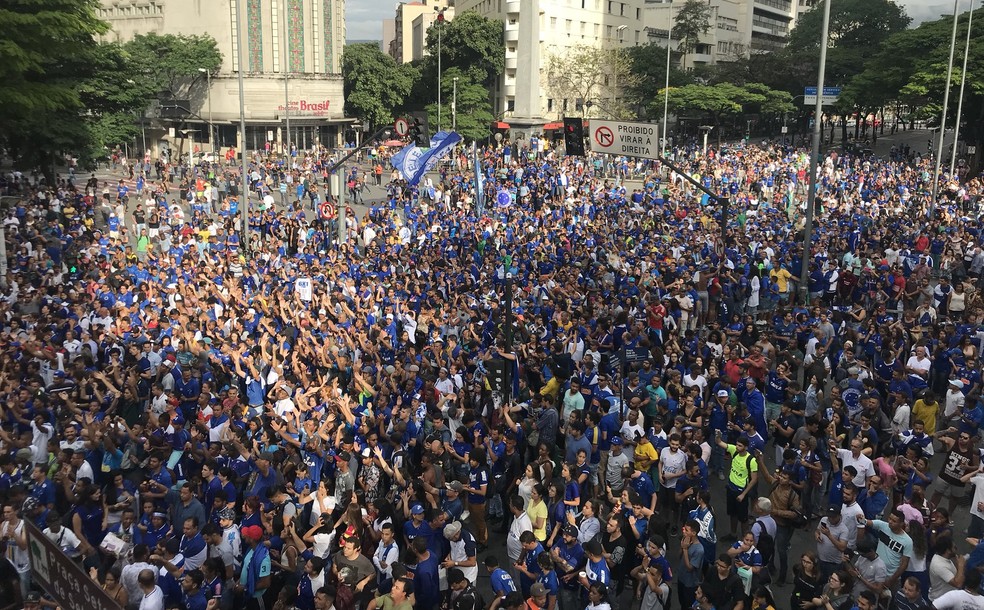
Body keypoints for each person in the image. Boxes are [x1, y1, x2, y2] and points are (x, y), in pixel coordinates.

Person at [714, 433, 759, 538]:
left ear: (746, 447)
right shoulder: (734, 450)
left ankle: (745, 539)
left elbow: (754, 479)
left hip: (741, 491)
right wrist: (718, 436)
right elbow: (719, 442)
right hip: (730, 488)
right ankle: (733, 534)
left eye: (740, 446)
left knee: (743, 518)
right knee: (732, 514)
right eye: (737, 445)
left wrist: (743, 494)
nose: (737, 447)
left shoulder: (751, 460)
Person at [678, 519, 705, 609]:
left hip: (690, 583)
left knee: (687, 605)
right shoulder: (686, 541)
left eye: (686, 530)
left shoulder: (699, 550)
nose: (683, 531)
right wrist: (682, 547)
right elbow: (679, 556)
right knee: (682, 603)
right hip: (681, 578)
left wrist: (685, 549)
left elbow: (690, 568)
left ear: (693, 533)